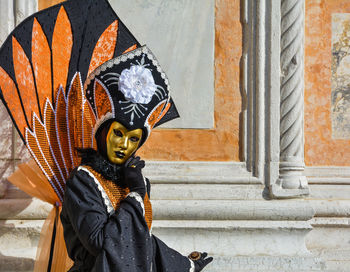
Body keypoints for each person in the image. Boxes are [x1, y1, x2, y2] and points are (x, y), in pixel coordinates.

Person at [0, 0, 213, 270]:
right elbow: (103, 243)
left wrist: (184, 265)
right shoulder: (83, 181)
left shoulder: (131, 179)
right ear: (103, 132)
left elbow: (141, 242)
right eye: (118, 134)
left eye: (134, 138)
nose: (124, 145)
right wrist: (136, 194)